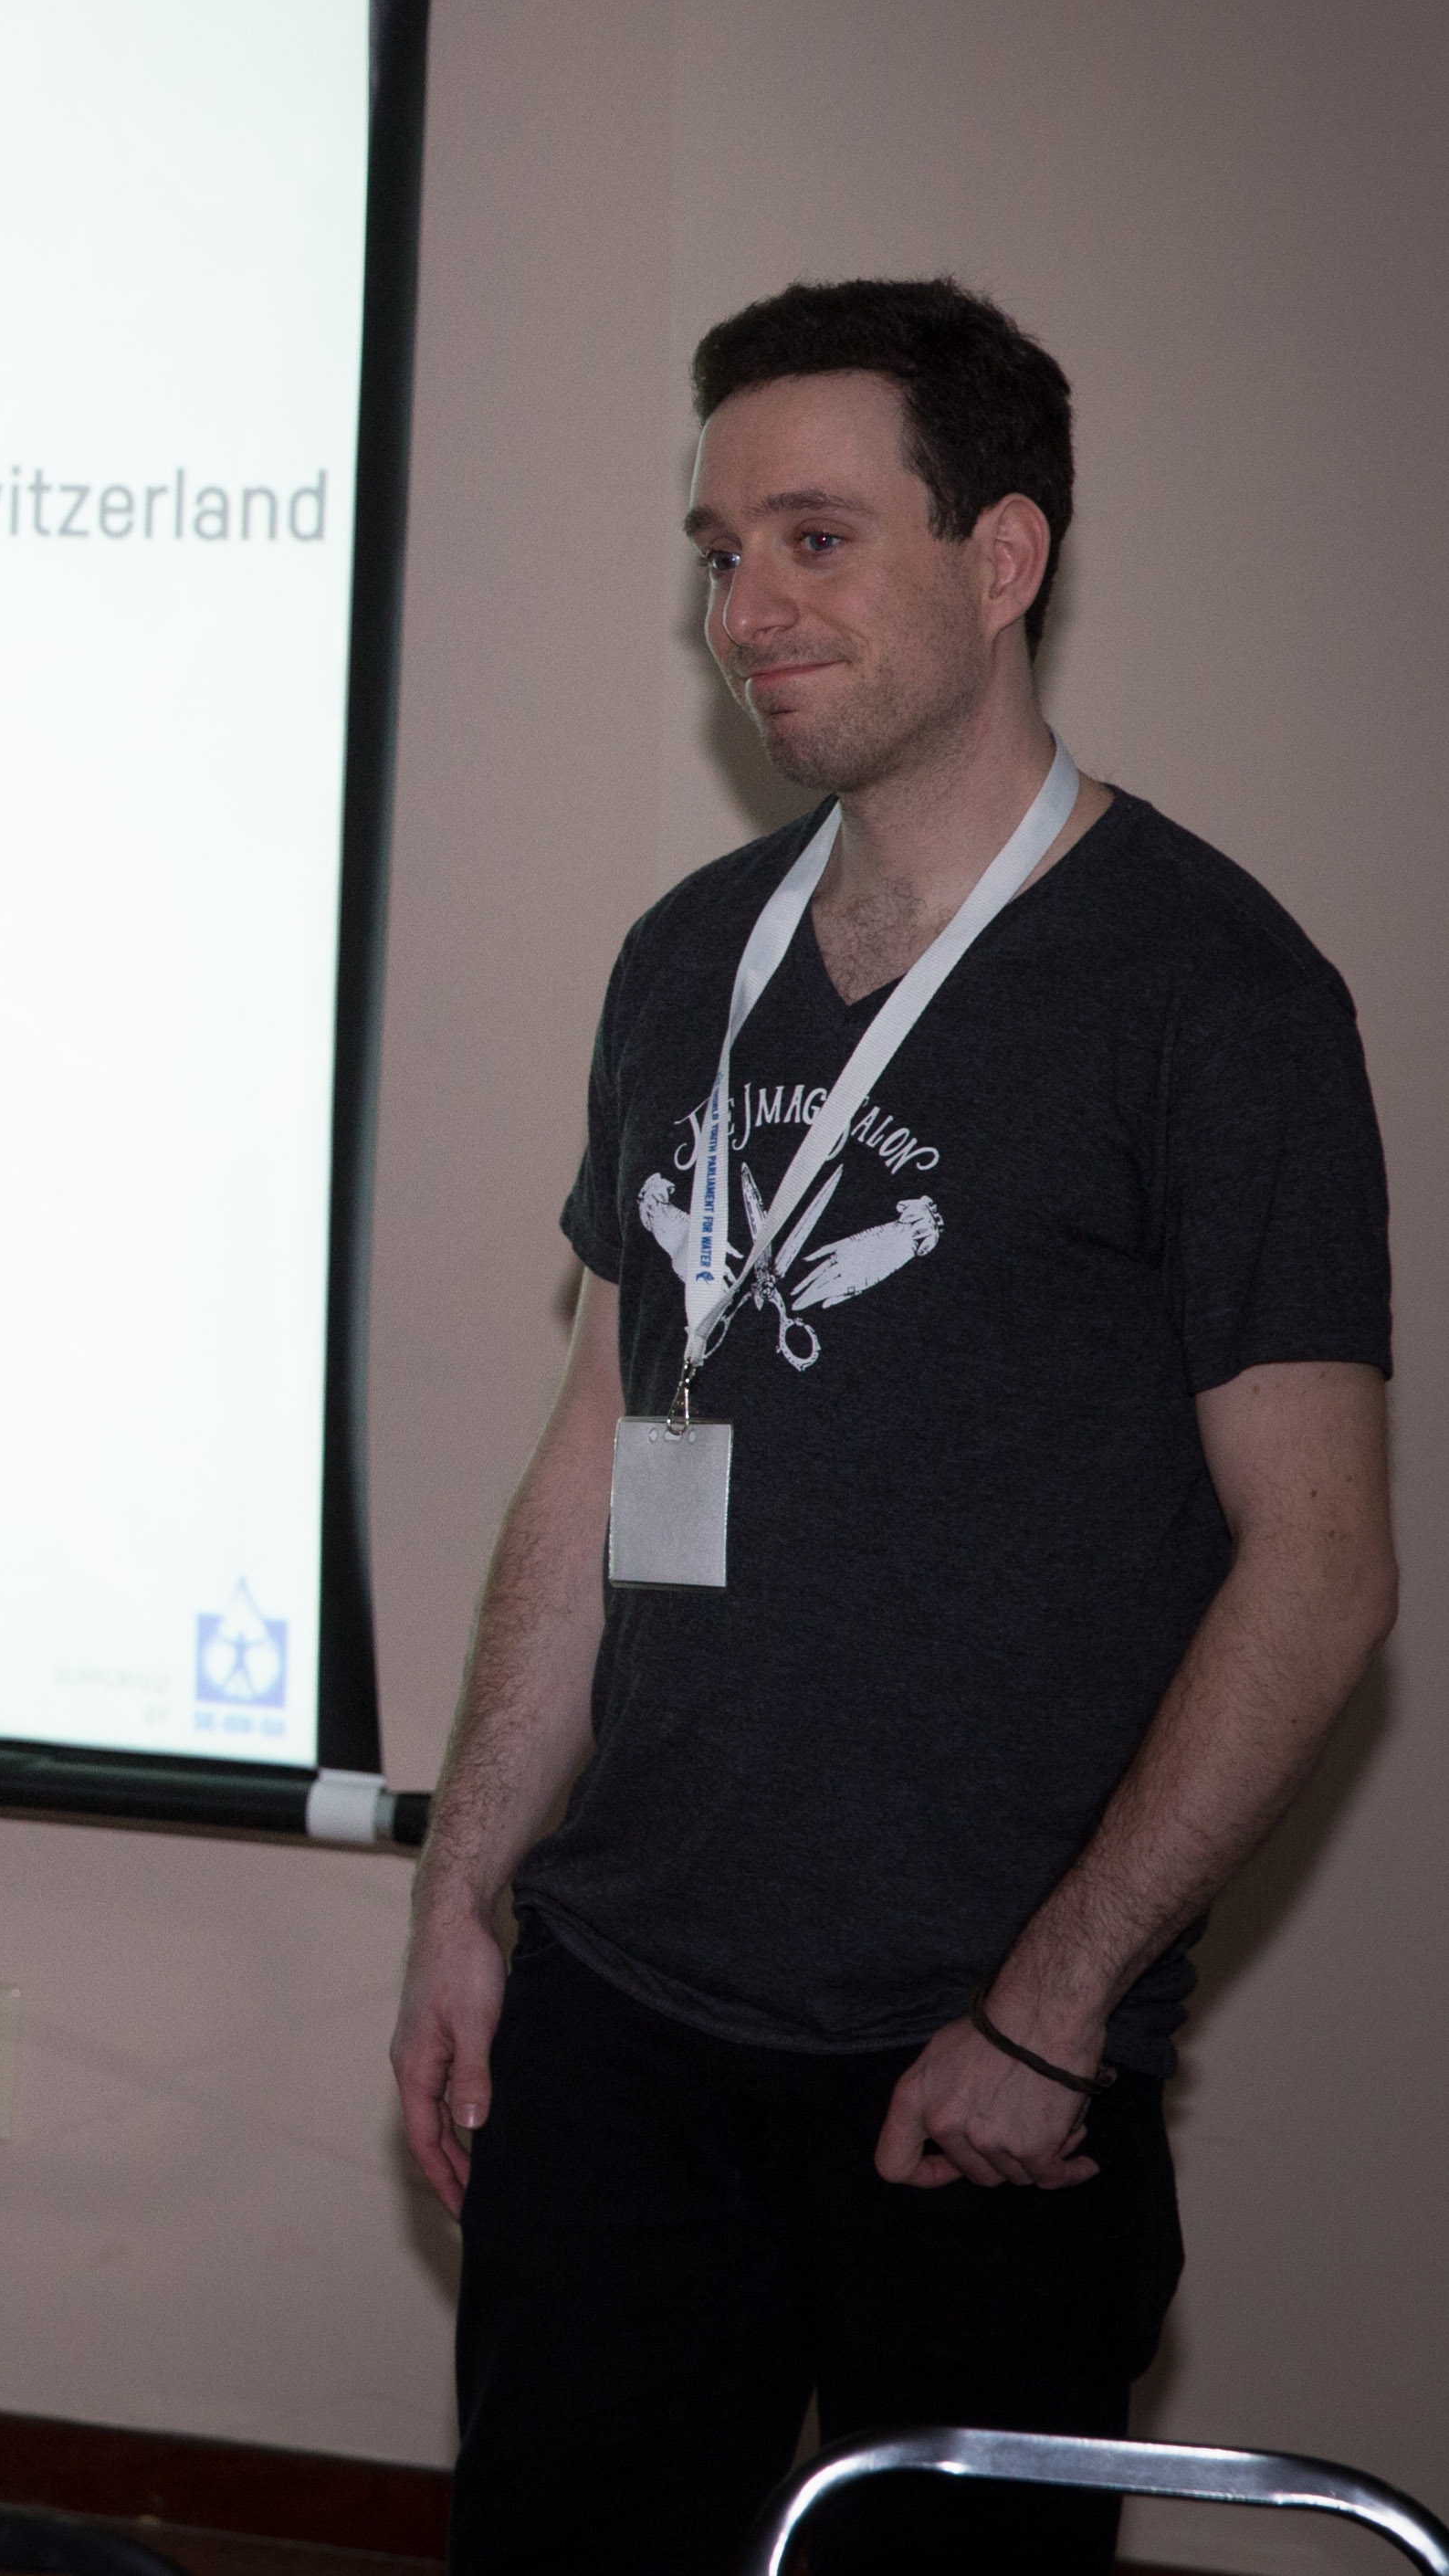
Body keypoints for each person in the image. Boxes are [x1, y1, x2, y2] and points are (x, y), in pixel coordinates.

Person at [388, 279, 1394, 2573]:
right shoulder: (687, 956)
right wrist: (461, 1893)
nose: (743, 606)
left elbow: (1324, 1567)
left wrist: (1045, 2014)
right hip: (614, 2022)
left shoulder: (1210, 996)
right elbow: (593, 1444)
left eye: (814, 538)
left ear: (1000, 554)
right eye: (717, 549)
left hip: (968, 2077)